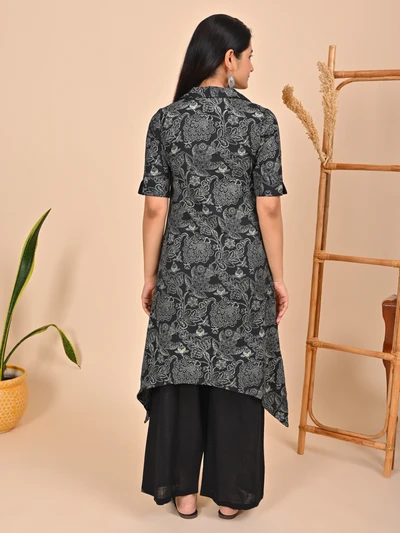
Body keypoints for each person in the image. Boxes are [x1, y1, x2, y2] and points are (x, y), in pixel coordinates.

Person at [137, 13, 289, 520]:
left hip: (181, 271)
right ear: (229, 58)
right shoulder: (260, 122)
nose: (252, 66)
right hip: (243, 272)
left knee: (182, 369)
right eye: (249, 56)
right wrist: (278, 278)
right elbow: (269, 207)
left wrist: (151, 274)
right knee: (237, 373)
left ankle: (183, 493)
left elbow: (155, 208)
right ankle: (230, 496)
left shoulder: (165, 121)